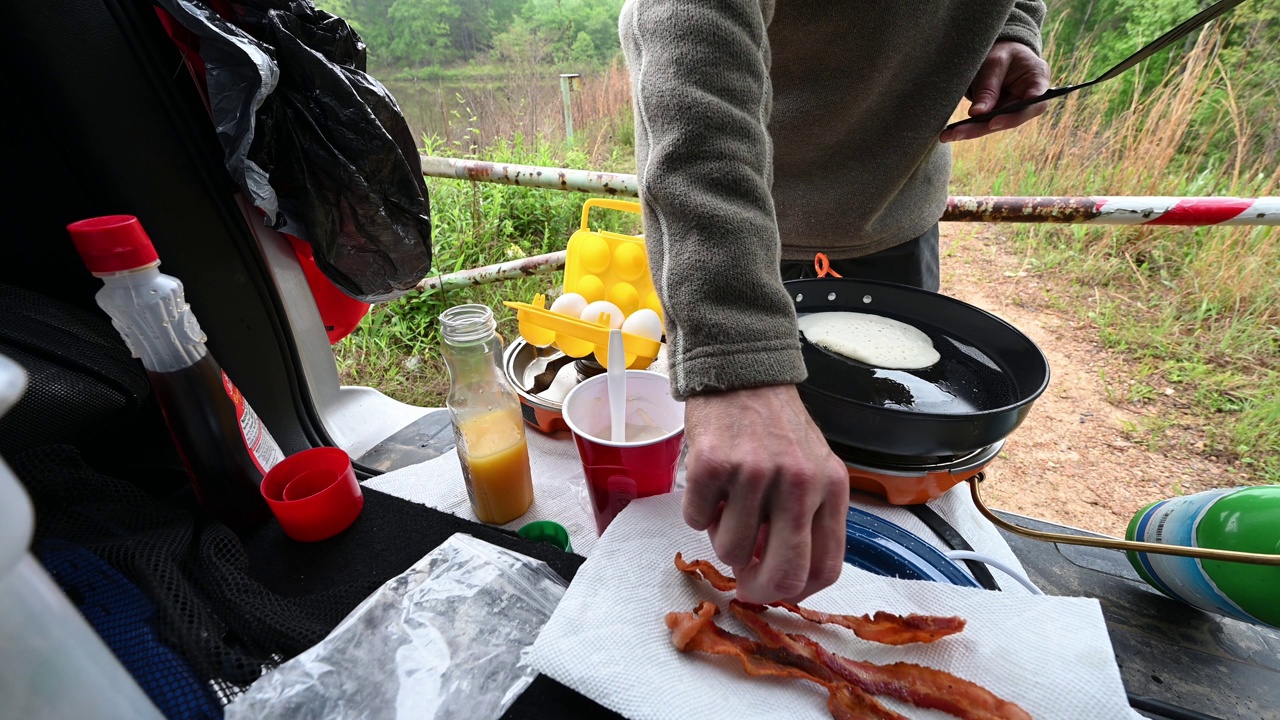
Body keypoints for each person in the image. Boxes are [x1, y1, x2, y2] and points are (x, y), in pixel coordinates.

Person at [619, 1, 1050, 604]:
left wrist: (1012, 27)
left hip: (896, 217)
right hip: (743, 227)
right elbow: (690, 28)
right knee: (748, 460)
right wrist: (737, 358)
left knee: (891, 442)